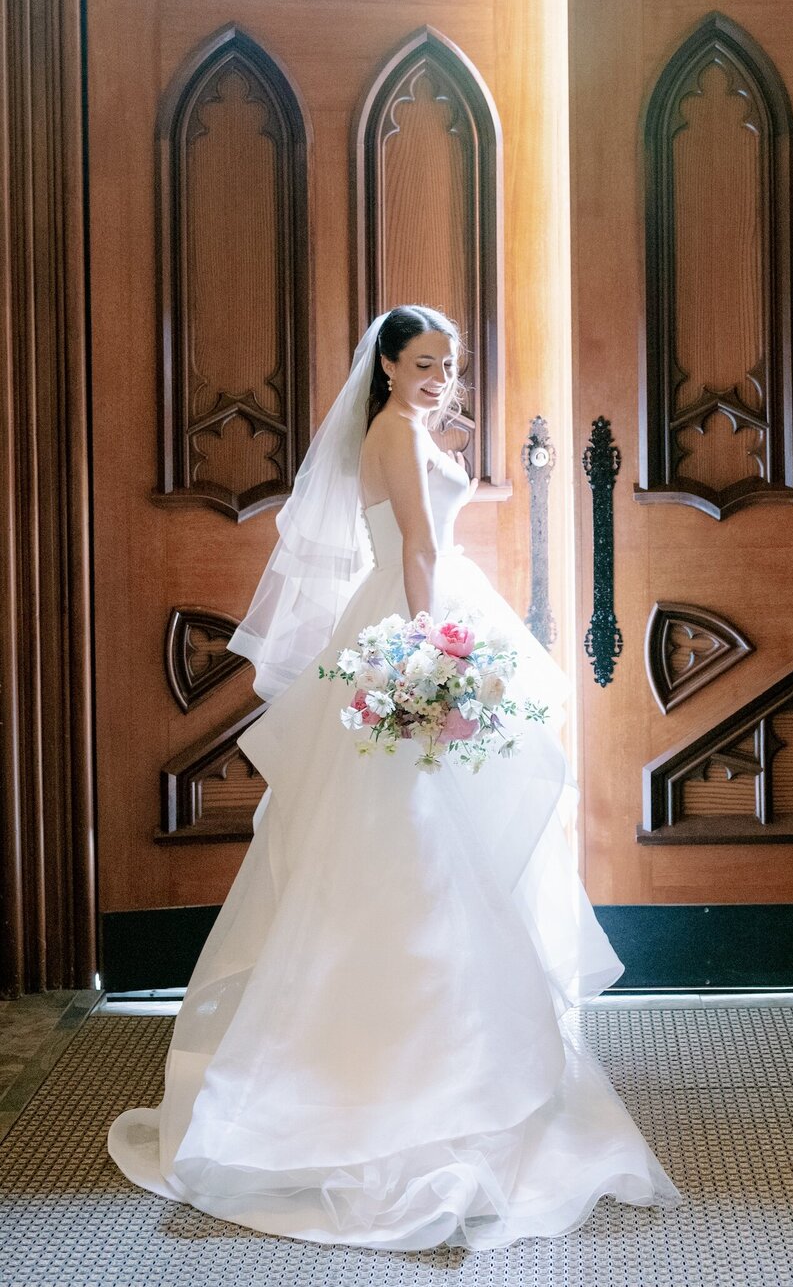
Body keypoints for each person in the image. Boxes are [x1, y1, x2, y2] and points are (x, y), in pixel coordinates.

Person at [106, 305, 682, 1251]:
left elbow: (415, 524)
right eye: (423, 363)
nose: (440, 378)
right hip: (414, 631)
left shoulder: (400, 429)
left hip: (411, 618)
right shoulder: (393, 429)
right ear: (386, 366)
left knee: (419, 850)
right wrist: (429, 662)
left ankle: (437, 1064)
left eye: (449, 365)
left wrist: (441, 439)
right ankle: (402, 1081)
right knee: (414, 849)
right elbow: (417, 547)